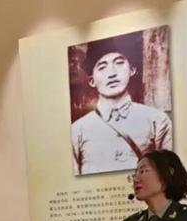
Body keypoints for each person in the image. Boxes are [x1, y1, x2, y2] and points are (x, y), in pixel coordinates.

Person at [71, 32, 173, 176]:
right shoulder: (77, 130)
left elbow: (169, 176)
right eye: (102, 67)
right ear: (92, 81)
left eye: (119, 63)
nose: (112, 73)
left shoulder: (157, 120)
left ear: (132, 70)